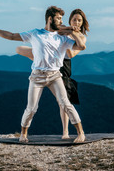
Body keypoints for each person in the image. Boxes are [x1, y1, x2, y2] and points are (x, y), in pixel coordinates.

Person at [0, 6, 86, 143]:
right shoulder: (35, 33)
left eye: (61, 19)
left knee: (66, 104)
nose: (61, 21)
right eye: (58, 18)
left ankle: (80, 133)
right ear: (50, 19)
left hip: (55, 76)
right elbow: (11, 36)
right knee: (31, 108)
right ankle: (23, 134)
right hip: (37, 76)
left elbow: (81, 46)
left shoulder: (62, 37)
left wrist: (74, 32)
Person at [16, 9, 89, 139]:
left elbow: (71, 53)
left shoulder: (80, 36)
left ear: (82, 23)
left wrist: (70, 34)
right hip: (47, 66)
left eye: (79, 20)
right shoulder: (60, 30)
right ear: (70, 20)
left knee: (65, 103)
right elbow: (52, 31)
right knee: (19, 48)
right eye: (74, 20)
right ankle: (24, 133)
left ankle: (67, 132)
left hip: (63, 66)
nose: (76, 22)